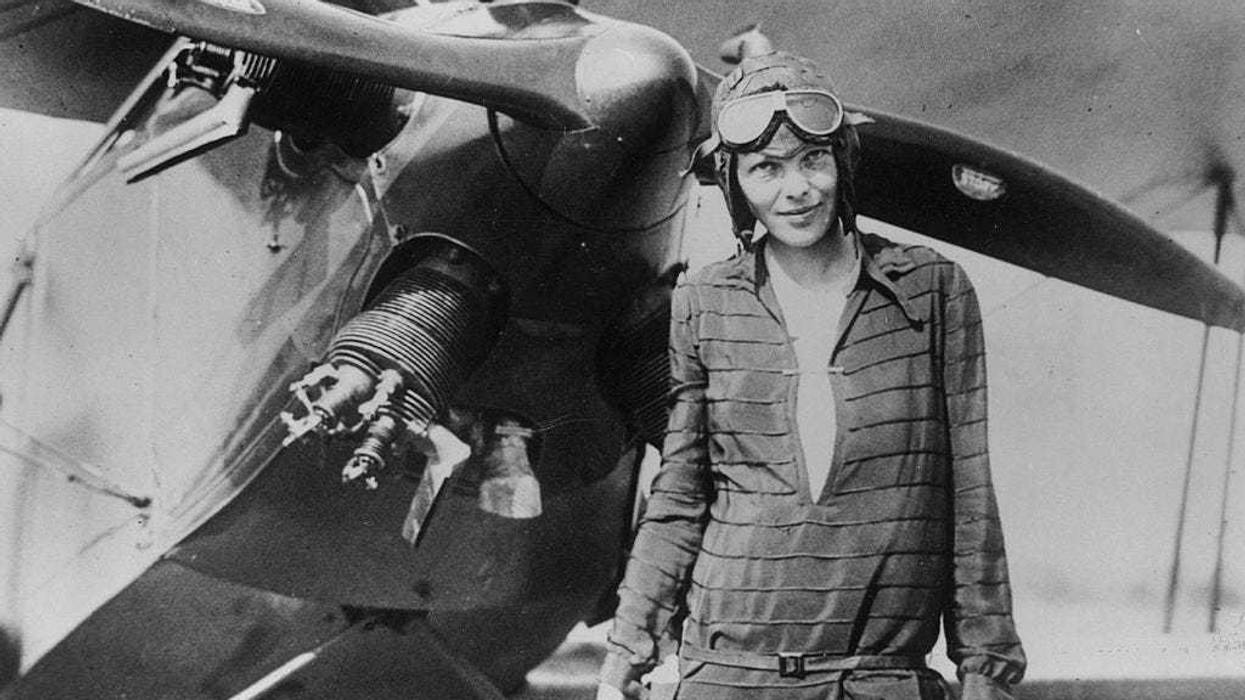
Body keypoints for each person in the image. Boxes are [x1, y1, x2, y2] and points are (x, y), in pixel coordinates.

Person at [597, 51, 1026, 699]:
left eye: (812, 159)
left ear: (842, 161)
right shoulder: (704, 302)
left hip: (875, 678)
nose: (795, 189)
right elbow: (680, 497)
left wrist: (986, 669)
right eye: (765, 168)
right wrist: (625, 651)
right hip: (727, 675)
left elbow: (969, 496)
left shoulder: (932, 291)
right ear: (734, 182)